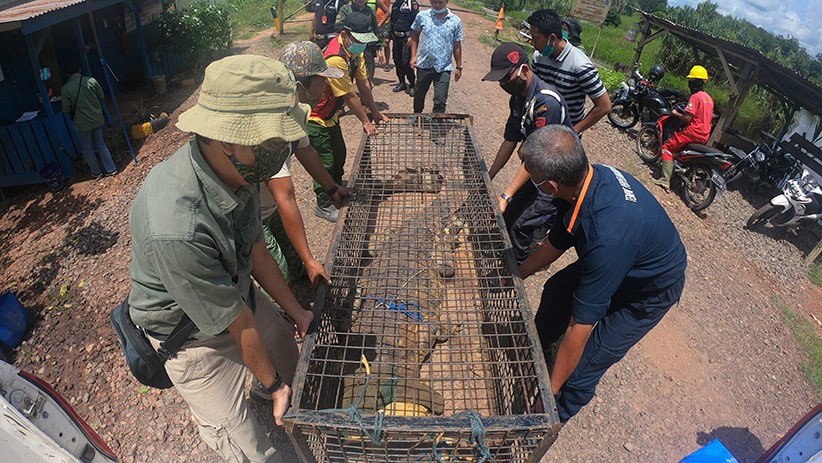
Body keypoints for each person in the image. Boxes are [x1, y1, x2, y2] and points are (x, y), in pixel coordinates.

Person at [128, 55, 315, 462]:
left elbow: (257, 250)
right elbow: (234, 319)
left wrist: (297, 311)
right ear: (227, 139)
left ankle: (289, 395)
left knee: (287, 349)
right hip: (190, 339)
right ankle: (263, 400)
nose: (281, 151)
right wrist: (271, 384)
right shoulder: (177, 226)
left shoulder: (239, 172)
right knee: (251, 449)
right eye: (271, 142)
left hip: (235, 296)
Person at [518, 125, 687, 423]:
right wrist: (518, 274)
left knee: (582, 371)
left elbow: (580, 325)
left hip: (648, 290)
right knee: (557, 290)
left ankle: (547, 420)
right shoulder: (588, 179)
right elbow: (558, 239)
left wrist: (550, 392)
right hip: (624, 254)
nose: (530, 179)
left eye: (534, 177)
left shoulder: (606, 237)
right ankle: (538, 361)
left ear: (552, 186)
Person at [253, 41, 350, 286]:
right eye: (320, 80)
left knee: (295, 266)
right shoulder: (274, 122)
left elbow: (306, 152)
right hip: (249, 214)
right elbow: (285, 194)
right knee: (278, 277)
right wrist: (310, 259)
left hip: (268, 207)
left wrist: (331, 188)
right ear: (300, 85)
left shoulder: (294, 109)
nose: (325, 85)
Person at [482, 42, 572, 264]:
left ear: (524, 69)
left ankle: (515, 271)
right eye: (500, 80)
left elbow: (536, 157)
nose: (503, 84)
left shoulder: (546, 103)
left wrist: (505, 195)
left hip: (556, 178)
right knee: (510, 216)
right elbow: (510, 139)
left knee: (522, 225)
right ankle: (507, 258)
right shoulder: (519, 97)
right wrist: (488, 175)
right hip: (536, 172)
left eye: (506, 78)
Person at [309, 12, 389, 222]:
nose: (362, 46)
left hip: (330, 115)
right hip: (315, 116)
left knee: (339, 154)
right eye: (358, 41)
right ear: (345, 35)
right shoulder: (336, 58)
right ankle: (324, 203)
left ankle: (334, 188)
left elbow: (362, 83)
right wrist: (364, 120)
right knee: (325, 160)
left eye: (365, 42)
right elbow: (349, 95)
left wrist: (374, 111)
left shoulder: (355, 52)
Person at [526, 9, 611, 134]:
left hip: (565, 135)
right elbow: (535, 89)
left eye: (536, 38)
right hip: (541, 128)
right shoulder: (538, 57)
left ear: (552, 38)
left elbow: (604, 106)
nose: (532, 43)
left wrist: (573, 131)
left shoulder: (580, 65)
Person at [653, 65, 714, 190]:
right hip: (704, 135)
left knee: (667, 148)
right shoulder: (709, 99)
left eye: (691, 80)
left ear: (698, 81)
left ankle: (665, 180)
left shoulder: (696, 97)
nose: (689, 83)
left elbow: (687, 118)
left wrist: (675, 113)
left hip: (692, 132)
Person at [61, 62, 117, 178]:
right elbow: (101, 97)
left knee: (87, 148)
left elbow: (66, 109)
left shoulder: (66, 89)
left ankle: (96, 172)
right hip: (97, 118)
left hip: (82, 123)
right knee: (100, 143)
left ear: (67, 74)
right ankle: (111, 169)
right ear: (80, 69)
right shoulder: (91, 81)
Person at [409, 0, 463, 114]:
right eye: (434, 2)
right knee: (419, 94)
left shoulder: (455, 20)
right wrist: (413, 56)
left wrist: (459, 66)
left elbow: (457, 44)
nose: (437, 5)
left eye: (440, 2)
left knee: (440, 99)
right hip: (424, 64)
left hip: (444, 66)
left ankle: (437, 122)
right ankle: (417, 115)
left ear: (447, 1)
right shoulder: (422, 16)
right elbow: (414, 34)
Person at [336, 0, 388, 85]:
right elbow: (338, 26)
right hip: (350, 47)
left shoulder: (369, 10)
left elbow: (375, 29)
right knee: (350, 71)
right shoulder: (346, 9)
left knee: (368, 70)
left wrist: (379, 48)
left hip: (367, 46)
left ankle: (368, 86)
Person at [389, 0, 419, 95]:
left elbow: (416, 21)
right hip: (396, 37)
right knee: (397, 60)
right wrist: (388, 36)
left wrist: (412, 36)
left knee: (406, 61)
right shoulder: (396, 4)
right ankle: (401, 82)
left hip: (407, 38)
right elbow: (392, 21)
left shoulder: (412, 4)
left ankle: (412, 84)